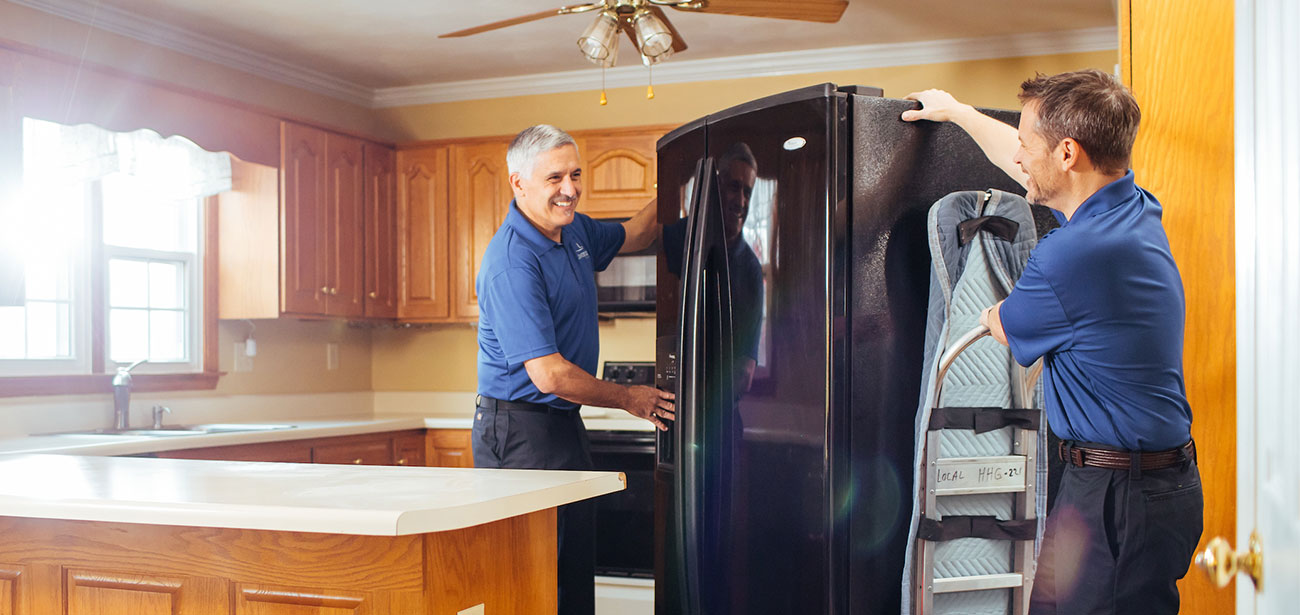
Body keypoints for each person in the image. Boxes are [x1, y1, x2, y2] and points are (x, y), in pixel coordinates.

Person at [902, 70, 1203, 615]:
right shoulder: (1131, 206)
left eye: (1027, 144)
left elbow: (1001, 323)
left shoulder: (1070, 256)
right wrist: (958, 112)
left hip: (1119, 499)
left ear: (1067, 153)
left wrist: (1000, 313)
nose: (1018, 157)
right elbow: (1023, 169)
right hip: (1127, 485)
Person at [472, 124, 675, 615]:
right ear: (518, 183)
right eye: (554, 178)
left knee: (571, 570)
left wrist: (678, 179)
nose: (570, 189)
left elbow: (639, 231)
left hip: (562, 422)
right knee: (536, 579)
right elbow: (550, 376)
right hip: (519, 429)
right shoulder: (511, 261)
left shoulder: (574, 228)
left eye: (576, 174)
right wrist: (631, 397)